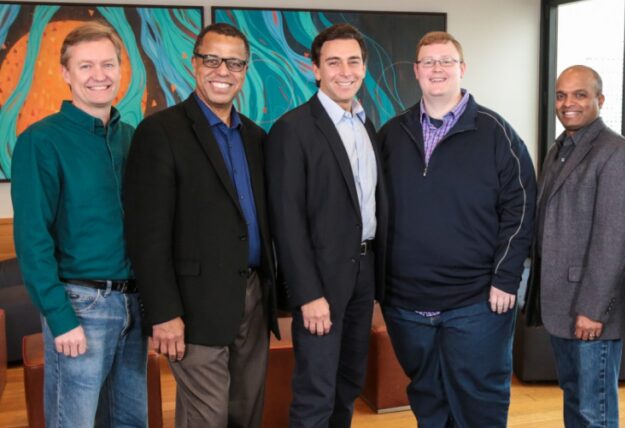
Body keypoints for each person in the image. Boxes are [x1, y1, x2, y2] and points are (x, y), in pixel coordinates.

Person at [123, 23, 279, 427]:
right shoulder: (160, 132)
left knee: (245, 413)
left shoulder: (256, 138)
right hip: (194, 306)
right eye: (212, 60)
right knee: (206, 418)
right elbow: (147, 236)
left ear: (245, 70)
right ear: (194, 64)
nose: (222, 71)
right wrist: (163, 313)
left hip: (253, 298)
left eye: (234, 63)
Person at [378, 31, 536, 427]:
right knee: (428, 401)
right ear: (416, 71)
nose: (437, 69)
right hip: (407, 305)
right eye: (428, 62)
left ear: (462, 68)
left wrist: (506, 278)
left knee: (480, 404)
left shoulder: (496, 133)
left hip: (477, 303)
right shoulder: (392, 134)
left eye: (446, 61)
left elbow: (521, 207)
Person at [11, 21, 147, 427]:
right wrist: (60, 317)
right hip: (81, 306)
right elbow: (32, 238)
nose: (98, 75)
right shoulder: (40, 140)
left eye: (107, 64)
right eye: (85, 66)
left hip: (134, 305)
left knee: (131, 422)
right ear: (65, 73)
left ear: (121, 70)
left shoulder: (131, 137)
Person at [265, 23, 387, 428]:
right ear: (315, 69)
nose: (345, 71)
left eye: (353, 61)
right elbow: (287, 222)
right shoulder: (293, 129)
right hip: (320, 281)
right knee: (316, 391)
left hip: (363, 273)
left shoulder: (366, 125)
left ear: (364, 67)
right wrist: (308, 294)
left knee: (348, 383)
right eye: (333, 62)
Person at [526, 65, 625, 427]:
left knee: (596, 412)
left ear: (600, 100)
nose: (568, 103)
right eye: (561, 95)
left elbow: (615, 238)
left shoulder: (616, 152)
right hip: (560, 303)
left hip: (591, 310)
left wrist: (593, 309)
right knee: (575, 398)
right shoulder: (559, 148)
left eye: (579, 95)